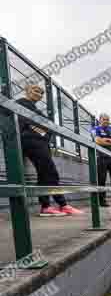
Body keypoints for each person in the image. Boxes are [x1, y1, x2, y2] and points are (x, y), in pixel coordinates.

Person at [16, 84, 84, 216]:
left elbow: (47, 128)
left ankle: (47, 206)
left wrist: (44, 131)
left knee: (45, 174)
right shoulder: (21, 103)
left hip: (40, 144)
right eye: (35, 91)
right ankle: (61, 205)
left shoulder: (36, 109)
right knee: (50, 173)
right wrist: (42, 131)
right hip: (31, 142)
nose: (38, 94)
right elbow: (30, 125)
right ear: (27, 91)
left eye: (41, 93)